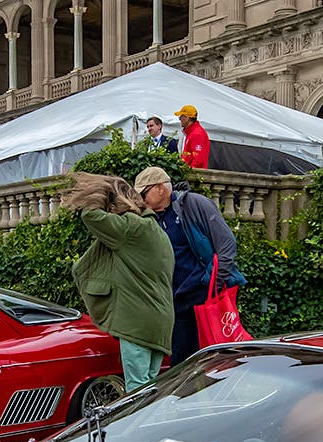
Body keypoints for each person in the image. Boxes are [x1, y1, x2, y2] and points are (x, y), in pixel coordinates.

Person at [62, 172, 174, 393]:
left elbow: (90, 216)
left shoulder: (131, 228)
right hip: (161, 323)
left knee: (136, 391)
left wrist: (102, 192)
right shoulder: (158, 232)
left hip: (137, 322)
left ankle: (139, 428)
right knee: (150, 388)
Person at [134, 165, 245, 365]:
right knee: (181, 364)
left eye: (144, 193)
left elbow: (226, 243)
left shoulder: (194, 204)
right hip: (177, 300)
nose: (142, 200)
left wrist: (213, 283)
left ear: (160, 188)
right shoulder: (150, 218)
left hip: (204, 294)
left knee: (216, 360)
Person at [173, 104, 210, 169]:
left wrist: (187, 172)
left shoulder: (197, 134)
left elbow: (199, 160)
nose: (179, 119)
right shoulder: (191, 133)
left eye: (181, 117)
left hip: (194, 176)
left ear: (187, 118)